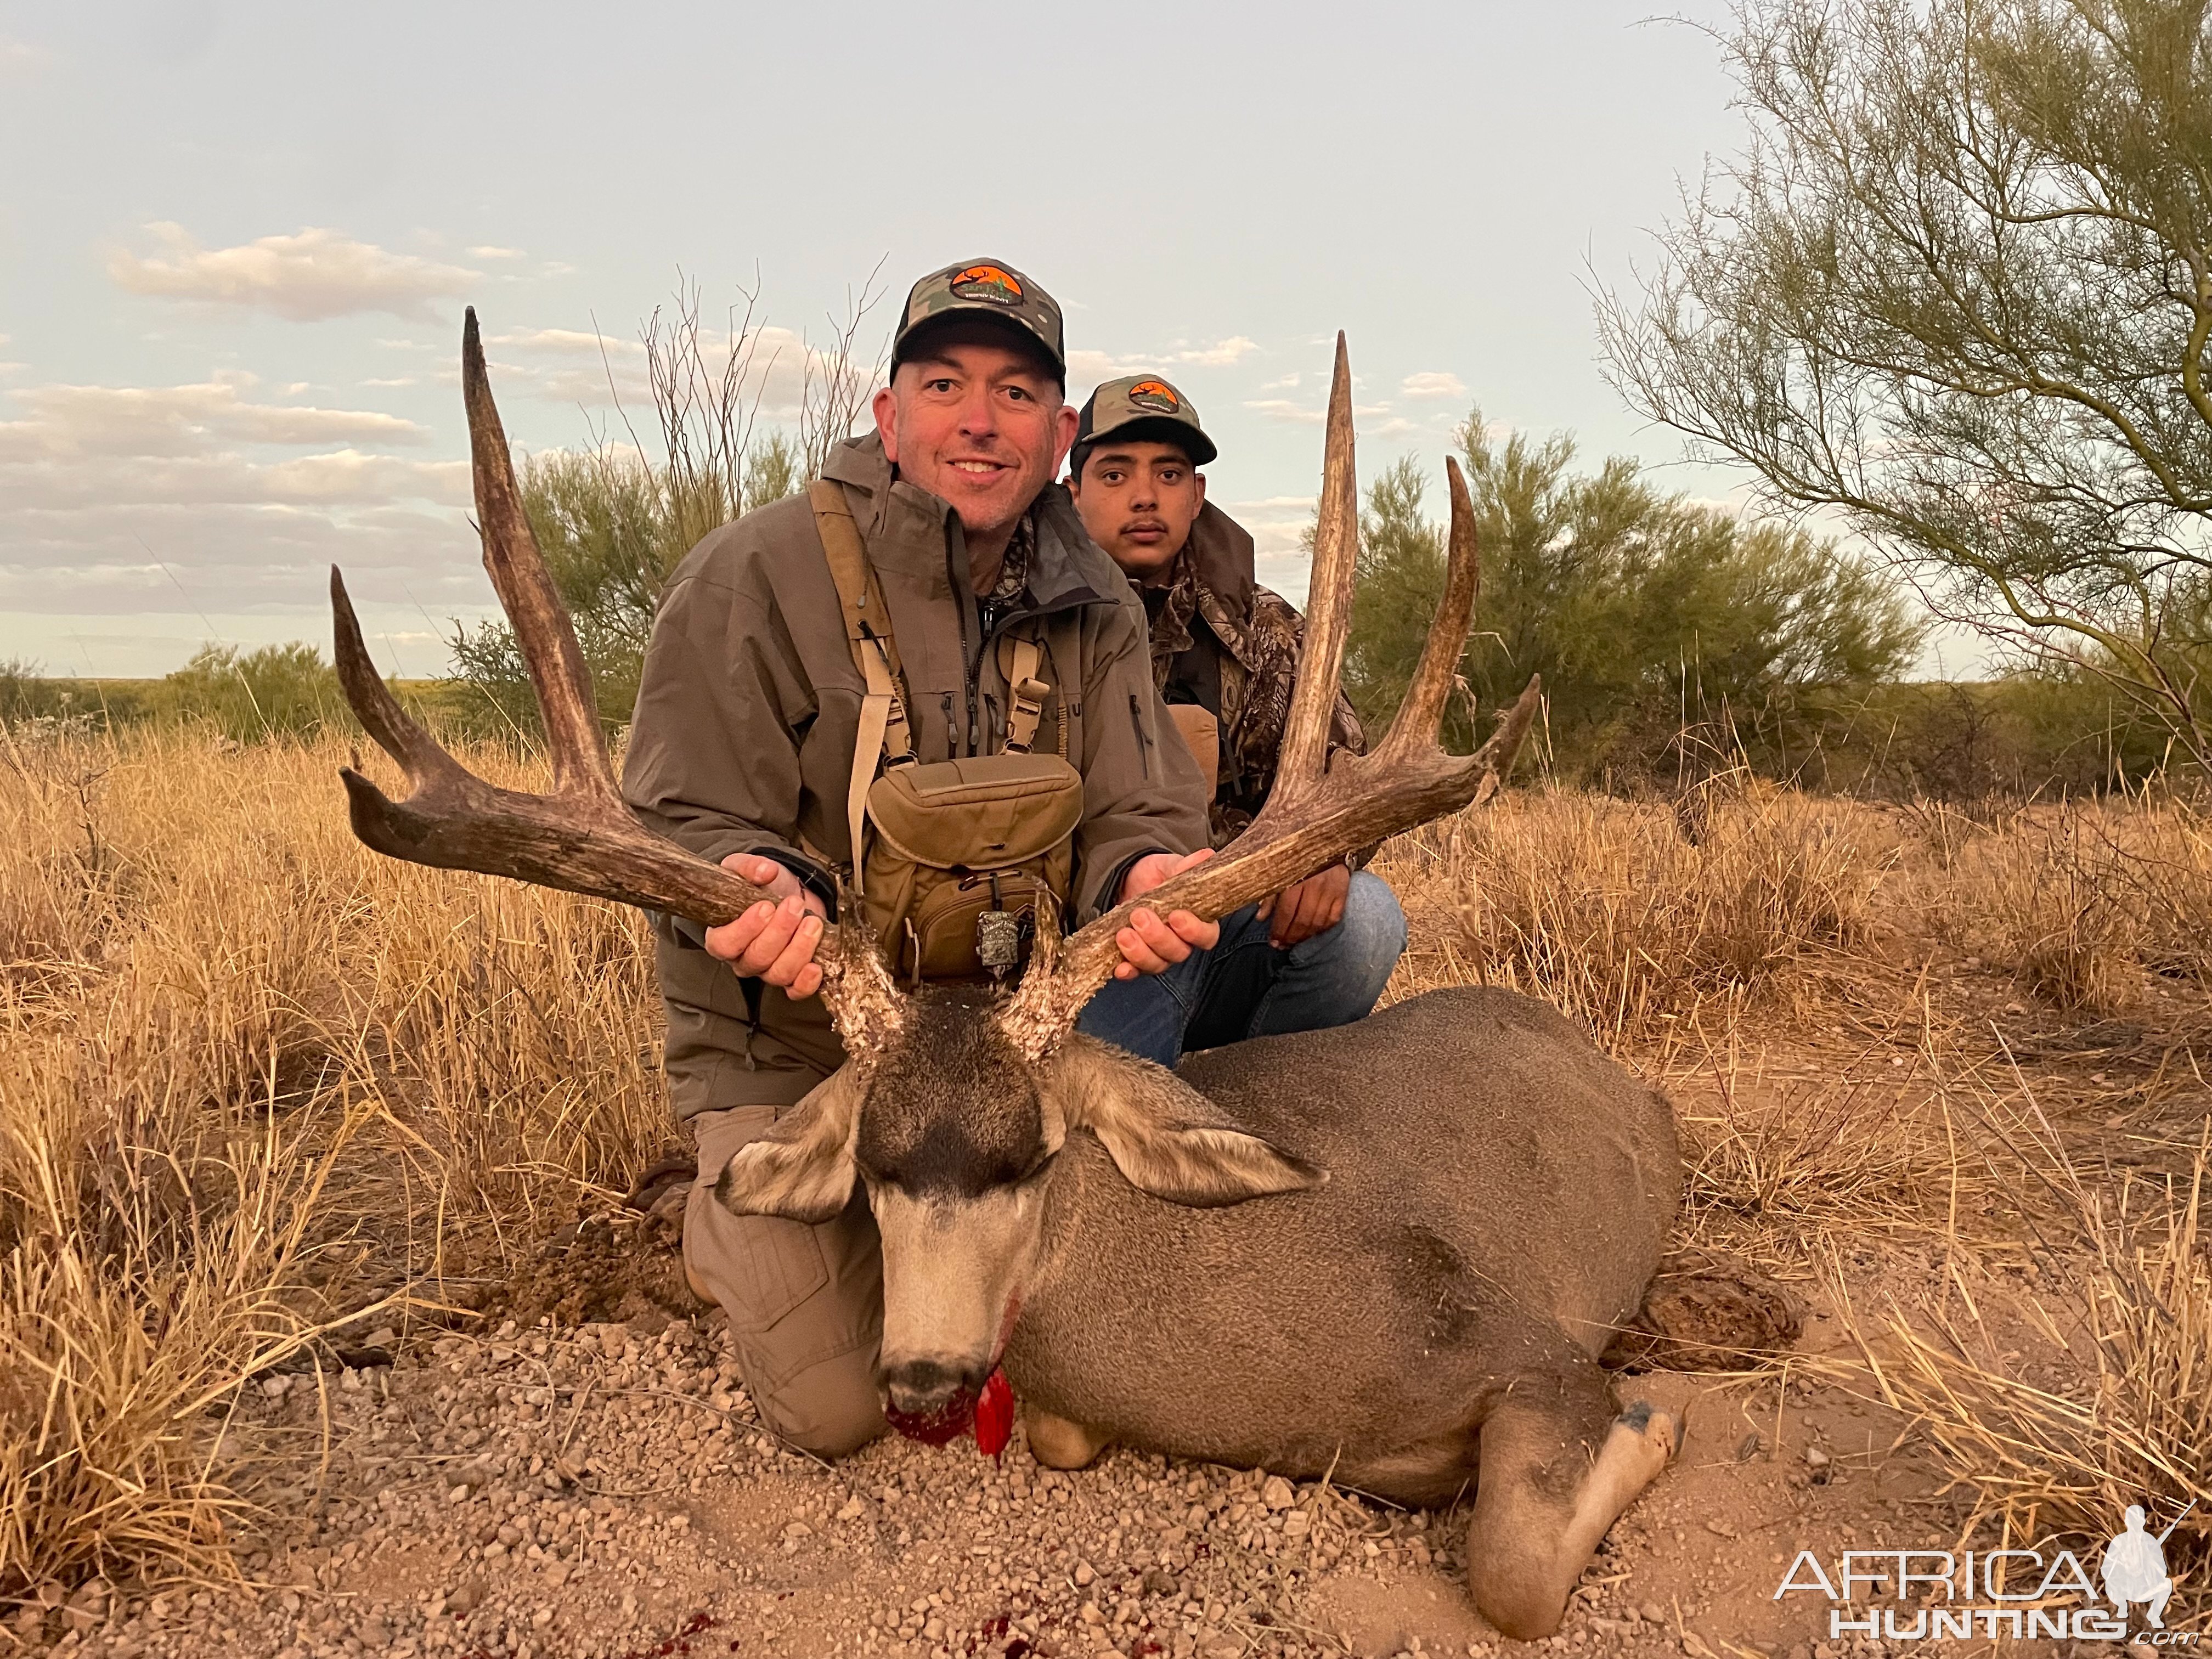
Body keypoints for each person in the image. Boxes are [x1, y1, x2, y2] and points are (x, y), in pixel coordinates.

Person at [623, 259, 1216, 1457]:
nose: (977, 420)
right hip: (796, 1053)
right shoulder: (754, 576)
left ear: (1056, 437)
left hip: (1002, 1052)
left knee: (1082, 1323)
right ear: (889, 417)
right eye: (944, 384)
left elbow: (1143, 807)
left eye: (1013, 393)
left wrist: (1143, 877)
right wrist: (746, 883)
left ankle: (921, 1224)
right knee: (840, 1412)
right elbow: (673, 814)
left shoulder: (1094, 598)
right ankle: (728, 1223)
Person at [1065, 373, 1408, 1062]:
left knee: (1366, 920)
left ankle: (1250, 1093)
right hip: (1084, 941)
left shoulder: (1264, 628)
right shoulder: (1032, 620)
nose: (1144, 495)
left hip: (1222, 919)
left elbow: (1345, 768)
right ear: (1072, 495)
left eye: (1169, 473)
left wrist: (1324, 854)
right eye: (1114, 473)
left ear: (1197, 495)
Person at [2102, 1505, 2174, 1628]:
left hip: (2146, 1587)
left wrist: (2150, 1562)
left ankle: (2154, 1615)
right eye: (2132, 1521)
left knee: (2167, 1585)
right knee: (2111, 1585)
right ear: (2126, 1522)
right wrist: (2120, 1566)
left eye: (2138, 1521)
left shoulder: (2150, 1541)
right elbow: (2105, 1570)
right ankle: (2121, 1611)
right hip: (2124, 1587)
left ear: (2143, 1522)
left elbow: (2162, 1570)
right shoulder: (2119, 1541)